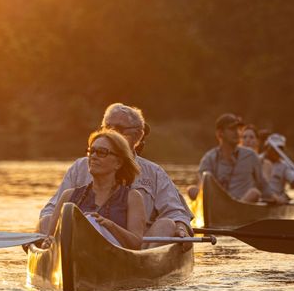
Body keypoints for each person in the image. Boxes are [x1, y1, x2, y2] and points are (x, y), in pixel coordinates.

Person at [39, 103, 194, 248]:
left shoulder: (154, 173)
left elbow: (175, 212)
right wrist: (44, 238)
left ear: (138, 136)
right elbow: (50, 210)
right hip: (80, 244)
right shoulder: (80, 167)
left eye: (119, 129)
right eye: (107, 127)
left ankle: (139, 269)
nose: (111, 133)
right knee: (45, 220)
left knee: (167, 224)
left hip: (137, 247)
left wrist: (181, 228)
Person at [37, 129, 146, 249]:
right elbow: (50, 239)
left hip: (112, 261)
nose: (93, 156)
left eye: (102, 152)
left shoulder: (133, 197)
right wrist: (47, 244)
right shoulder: (68, 196)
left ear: (118, 163)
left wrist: (110, 226)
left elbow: (136, 244)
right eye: (91, 151)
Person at [195, 113, 276, 203]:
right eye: (232, 129)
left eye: (238, 129)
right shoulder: (209, 158)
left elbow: (262, 184)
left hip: (243, 205)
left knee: (254, 193)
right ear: (220, 133)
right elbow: (202, 186)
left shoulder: (251, 156)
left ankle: (234, 209)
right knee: (192, 189)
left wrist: (274, 198)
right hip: (218, 204)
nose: (237, 133)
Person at [262, 133, 294, 202]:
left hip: (277, 199)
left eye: (280, 149)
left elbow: (293, 184)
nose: (277, 152)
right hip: (260, 197)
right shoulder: (257, 160)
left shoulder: (284, 166)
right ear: (267, 148)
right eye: (274, 149)